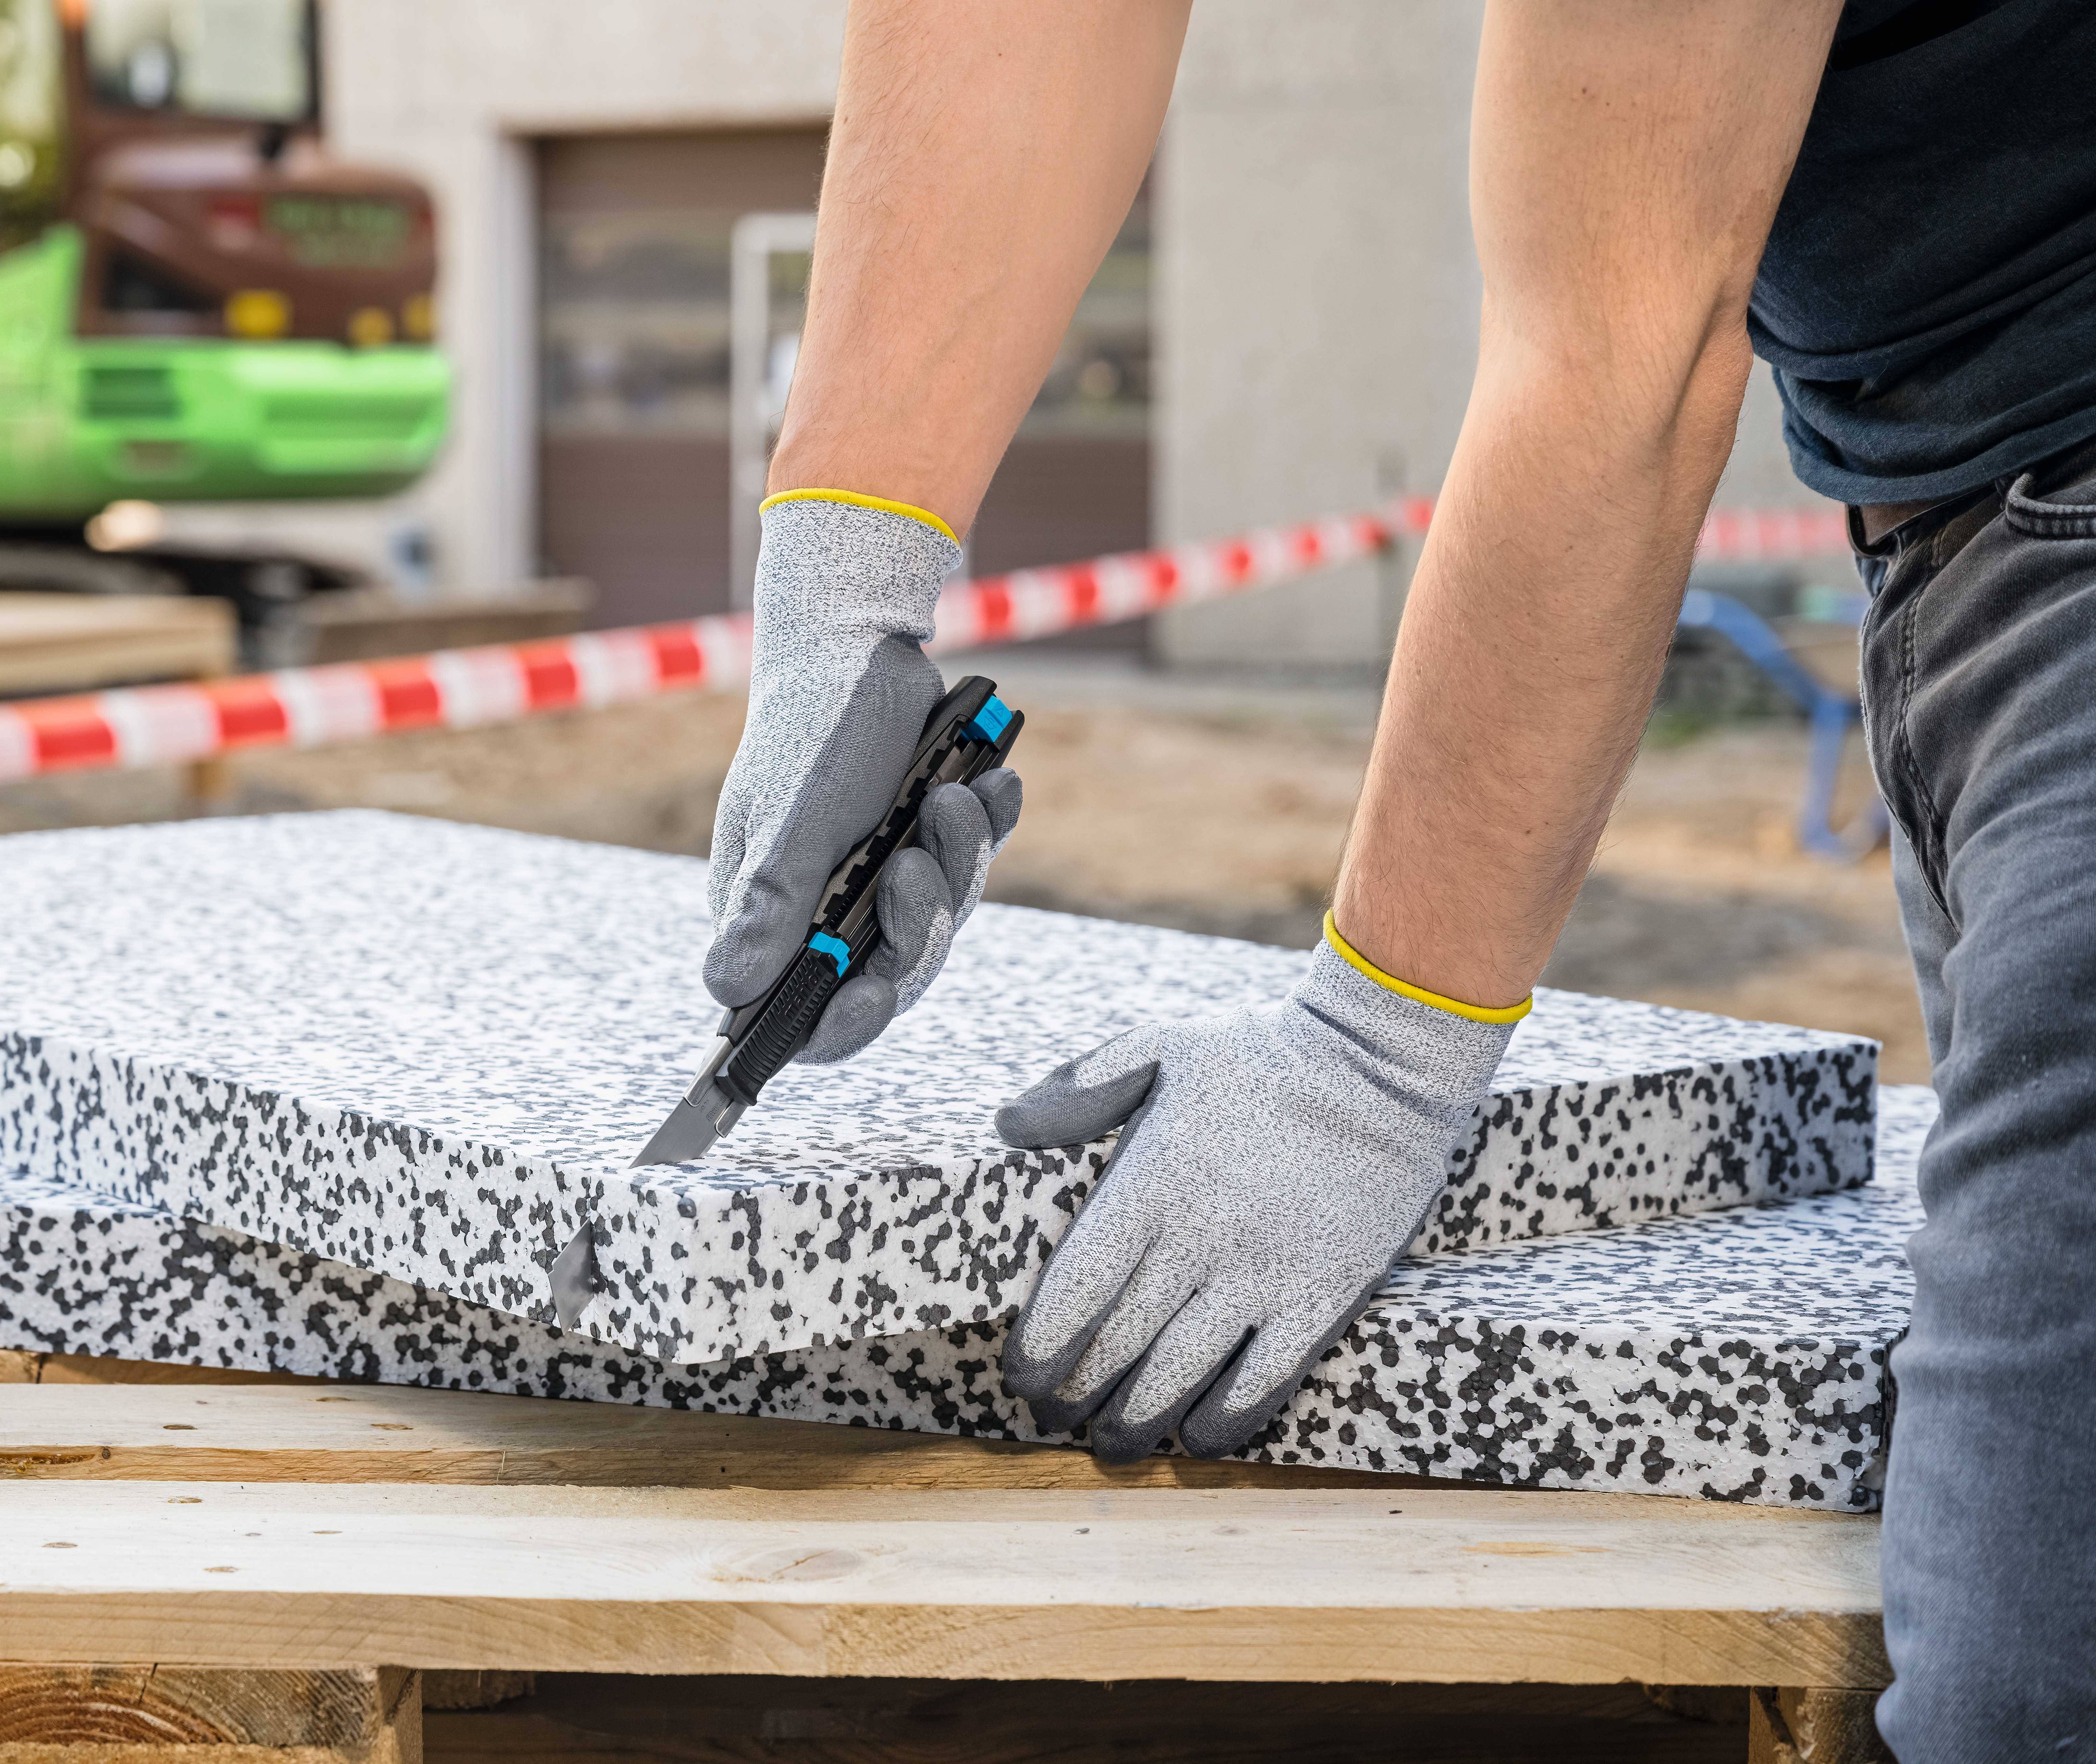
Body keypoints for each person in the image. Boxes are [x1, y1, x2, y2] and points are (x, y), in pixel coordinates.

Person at [699, 2, 2096, 1756]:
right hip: (1975, 526)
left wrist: (1384, 1044)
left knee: (2032, 1699)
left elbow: (1632, 340)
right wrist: (847, 576)